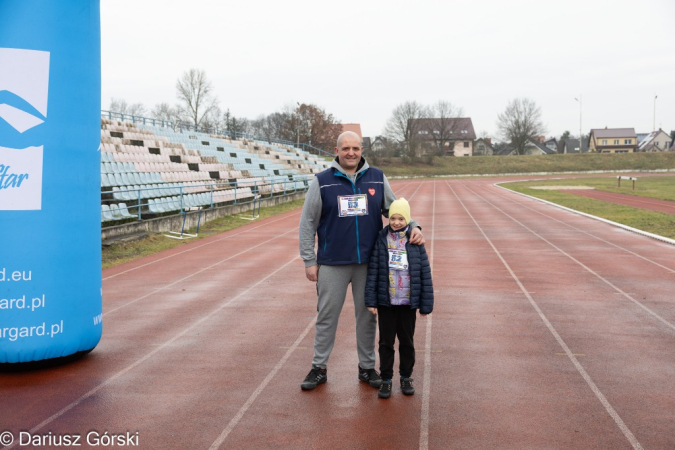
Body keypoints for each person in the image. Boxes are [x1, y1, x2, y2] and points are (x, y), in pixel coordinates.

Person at [298, 131, 425, 391]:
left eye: (355, 148)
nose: (351, 153)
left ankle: (367, 368)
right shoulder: (322, 181)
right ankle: (319, 367)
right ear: (337, 150)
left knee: (367, 316)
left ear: (362, 149)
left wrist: (414, 226)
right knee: (326, 316)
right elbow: (307, 223)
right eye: (346, 148)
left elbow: (394, 210)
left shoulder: (377, 178)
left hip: (370, 263)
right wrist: (309, 260)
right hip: (332, 263)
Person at [364, 197, 434, 399]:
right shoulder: (381, 240)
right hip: (386, 302)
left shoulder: (415, 241)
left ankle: (406, 377)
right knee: (386, 343)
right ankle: (386, 379)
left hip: (407, 303)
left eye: (401, 219)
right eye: (393, 218)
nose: (396, 222)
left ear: (408, 219)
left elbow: (425, 273)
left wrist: (425, 305)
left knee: (407, 342)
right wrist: (371, 300)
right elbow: (374, 271)